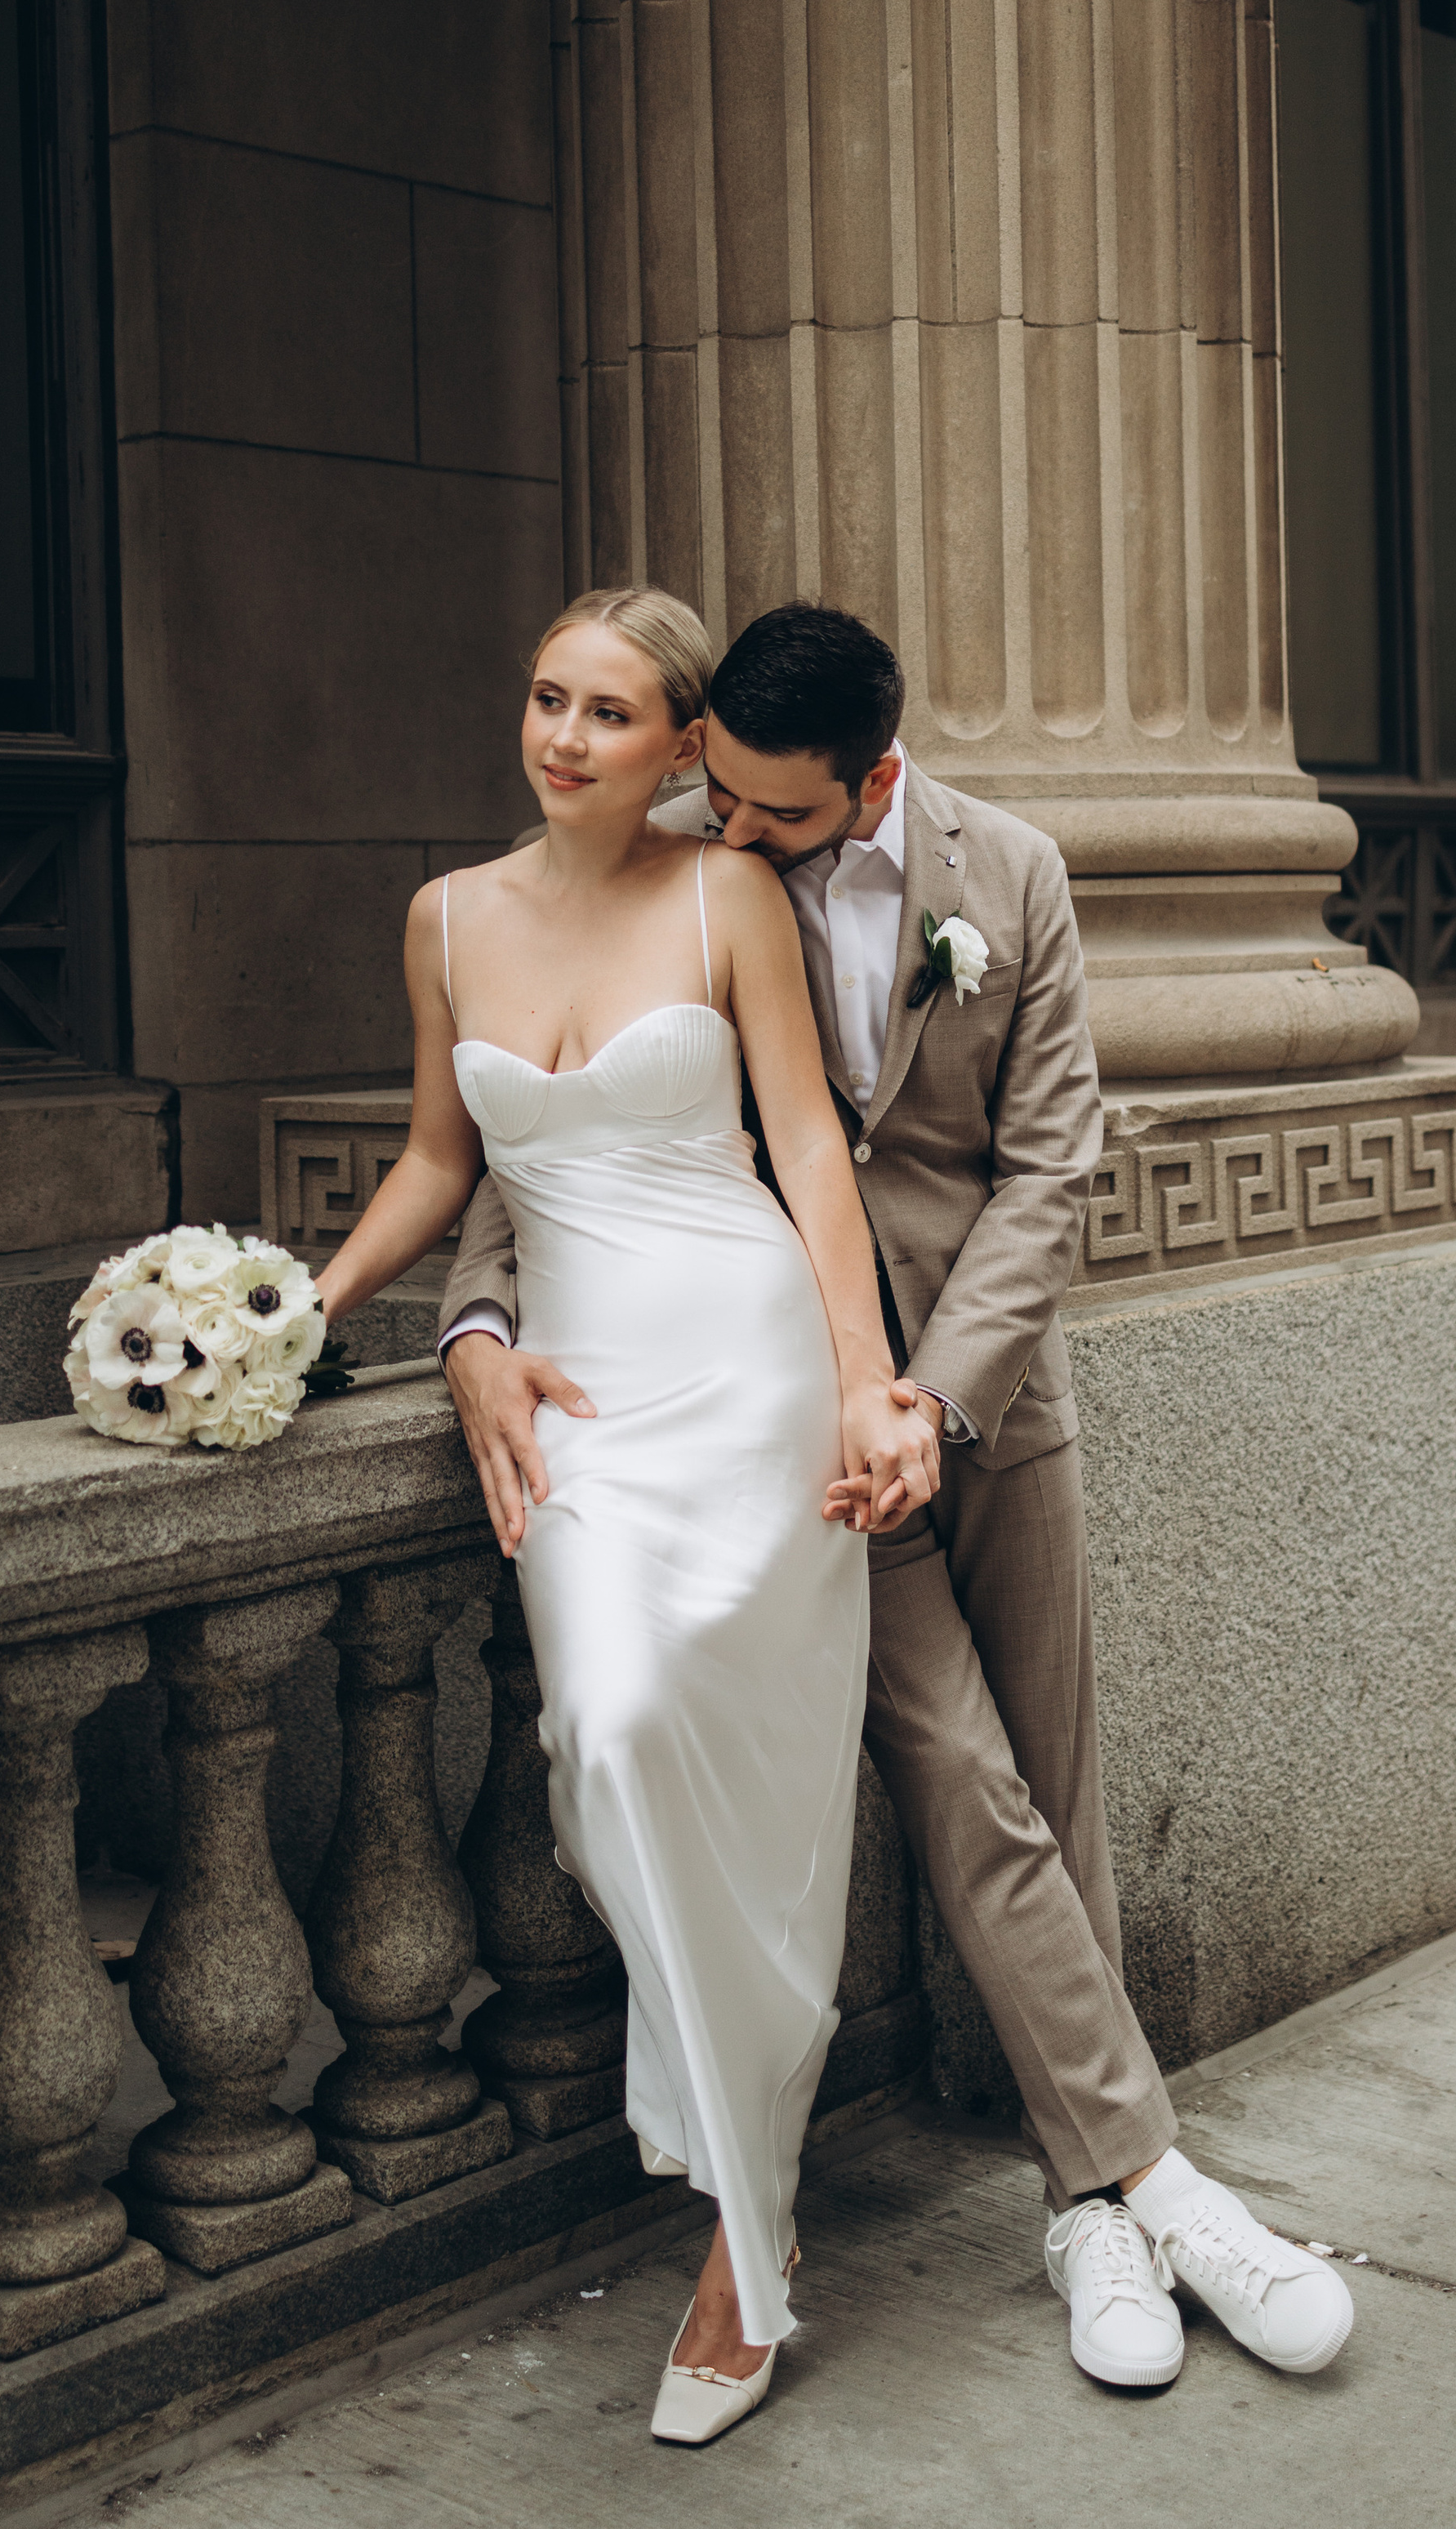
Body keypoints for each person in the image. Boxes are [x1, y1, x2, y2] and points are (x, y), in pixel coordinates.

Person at [442, 600, 1356, 2397]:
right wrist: (474, 1319)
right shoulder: (687, 868)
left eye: (780, 815)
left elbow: (1049, 1163)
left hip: (983, 1395)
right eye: (723, 799)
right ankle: (1154, 2191)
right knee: (957, 1768)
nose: (742, 836)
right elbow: (542, 1145)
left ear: (867, 776)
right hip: (777, 1424)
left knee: (1052, 1782)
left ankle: (1082, 2195)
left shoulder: (1005, 874)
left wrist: (934, 1394)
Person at [313, 587, 937, 2449]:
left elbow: (805, 1146)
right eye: (541, 698)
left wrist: (860, 1375)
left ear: (680, 747)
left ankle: (749, 2241)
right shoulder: (441, 920)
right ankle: (757, 2141)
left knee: (716, 1750)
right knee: (599, 1725)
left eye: (604, 712)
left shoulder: (720, 895)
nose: (561, 736)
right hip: (581, 1387)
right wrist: (291, 1314)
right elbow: (445, 1156)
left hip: (743, 1371)